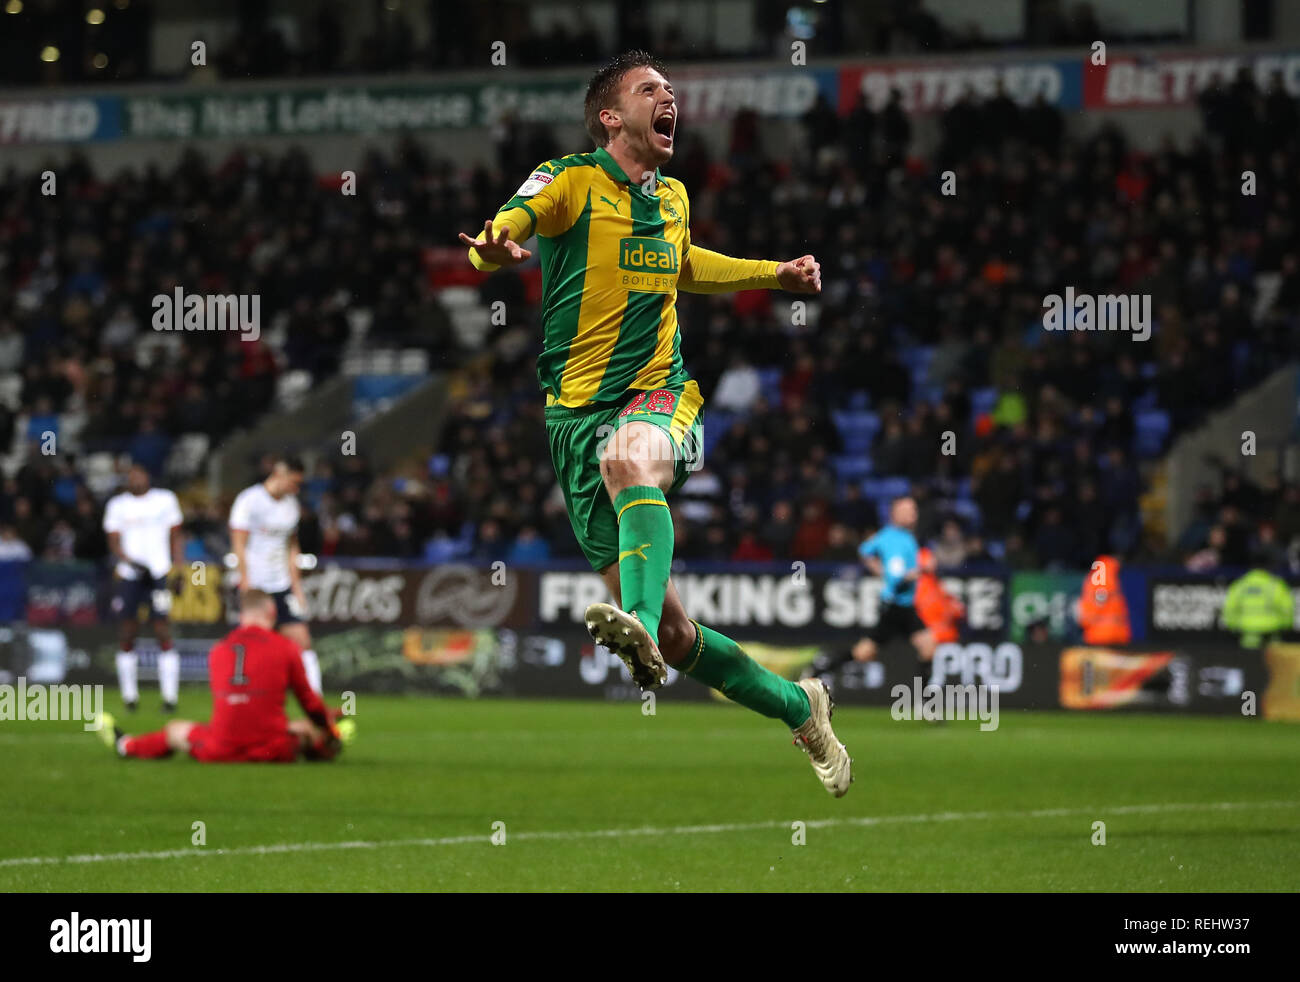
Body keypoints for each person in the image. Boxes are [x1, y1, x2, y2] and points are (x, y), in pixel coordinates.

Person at [459, 50, 850, 796]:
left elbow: (683, 265)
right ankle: (802, 706)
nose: (668, 98)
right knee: (675, 638)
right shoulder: (570, 179)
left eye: (670, 89)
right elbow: (513, 221)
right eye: (650, 90)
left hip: (662, 395)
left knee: (627, 461)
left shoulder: (672, 196)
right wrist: (492, 252)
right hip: (572, 419)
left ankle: (630, 619)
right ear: (612, 116)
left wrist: (775, 273)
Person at [95, 590, 350, 763]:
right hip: (273, 749)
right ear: (272, 615)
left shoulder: (219, 650)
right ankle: (332, 743)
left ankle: (126, 745)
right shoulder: (286, 647)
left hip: (221, 748)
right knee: (307, 728)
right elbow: (309, 702)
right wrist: (327, 724)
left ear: (241, 617)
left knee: (174, 730)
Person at [805, 497, 936, 693]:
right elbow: (896, 578)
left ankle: (819, 669)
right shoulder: (894, 540)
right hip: (896, 605)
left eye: (914, 509)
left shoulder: (893, 536)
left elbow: (865, 550)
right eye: (908, 510)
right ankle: (818, 669)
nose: (913, 514)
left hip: (902, 605)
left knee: (866, 652)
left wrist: (876, 568)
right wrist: (922, 570)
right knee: (923, 647)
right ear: (895, 513)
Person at [229, 457, 321, 693]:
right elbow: (239, 544)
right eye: (294, 482)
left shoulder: (291, 506)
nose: (296, 488)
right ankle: (245, 697)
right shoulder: (249, 501)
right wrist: (245, 581)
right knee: (252, 645)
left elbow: (292, 548)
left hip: (280, 584)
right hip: (256, 587)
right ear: (280, 474)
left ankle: (316, 704)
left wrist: (297, 587)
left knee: (303, 642)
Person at [102, 463, 184, 713]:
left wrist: (178, 569)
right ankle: (130, 697)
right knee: (127, 632)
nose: (137, 479)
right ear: (127, 480)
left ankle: (169, 698)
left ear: (148, 476)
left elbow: (176, 536)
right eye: (132, 476)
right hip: (130, 576)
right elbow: (113, 542)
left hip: (158, 574)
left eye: (141, 474)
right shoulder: (117, 505)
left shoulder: (165, 499)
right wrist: (130, 561)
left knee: (162, 629)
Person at [1222, 567, 1294, 649]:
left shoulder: (1240, 585)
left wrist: (1232, 626)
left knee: (1248, 657)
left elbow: (1230, 608)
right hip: (1273, 628)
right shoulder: (1276, 585)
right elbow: (1286, 608)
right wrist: (1286, 625)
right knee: (1274, 657)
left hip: (1247, 630)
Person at [1078, 554, 1131, 646]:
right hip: (1106, 636)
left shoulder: (1104, 576)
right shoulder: (1105, 577)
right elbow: (1097, 604)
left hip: (1100, 635)